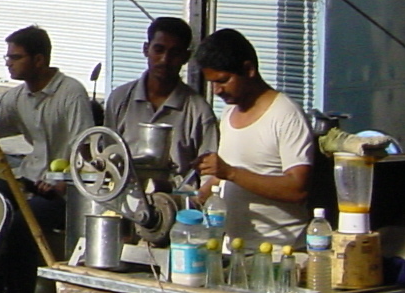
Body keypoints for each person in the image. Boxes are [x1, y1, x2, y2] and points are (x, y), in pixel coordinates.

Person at [0, 25, 93, 230]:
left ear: (38, 60)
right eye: (7, 58)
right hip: (28, 180)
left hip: (61, 192)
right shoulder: (16, 97)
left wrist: (63, 184)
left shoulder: (71, 92)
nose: (9, 64)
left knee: (17, 225)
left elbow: (83, 147)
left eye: (15, 58)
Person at [194, 27, 315, 248]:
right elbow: (227, 174)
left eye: (223, 80)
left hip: (278, 253)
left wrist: (230, 172)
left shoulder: (286, 115)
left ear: (248, 69)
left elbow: (297, 189)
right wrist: (201, 194)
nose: (217, 90)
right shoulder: (229, 113)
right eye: (212, 83)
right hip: (234, 250)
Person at [102, 16, 218, 187]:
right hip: (123, 201)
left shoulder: (199, 111)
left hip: (176, 206)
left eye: (175, 53)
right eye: (159, 50)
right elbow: (108, 158)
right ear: (146, 49)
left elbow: (210, 175)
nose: (165, 59)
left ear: (186, 57)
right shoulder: (120, 99)